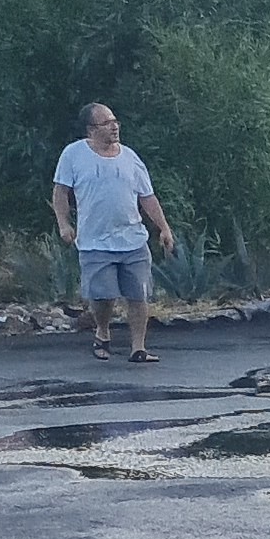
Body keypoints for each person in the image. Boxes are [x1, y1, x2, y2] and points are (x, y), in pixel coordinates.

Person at [52, 103, 173, 364]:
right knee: (103, 296)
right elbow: (61, 192)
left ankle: (138, 348)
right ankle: (103, 331)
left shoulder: (130, 157)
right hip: (95, 241)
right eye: (107, 123)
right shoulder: (73, 155)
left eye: (115, 121)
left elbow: (147, 197)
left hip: (132, 239)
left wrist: (163, 227)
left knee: (138, 295)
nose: (114, 126)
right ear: (91, 130)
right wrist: (64, 223)